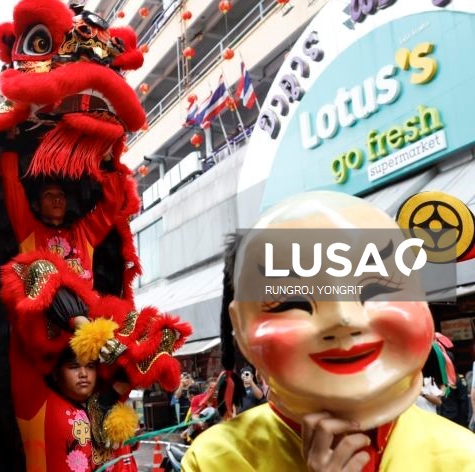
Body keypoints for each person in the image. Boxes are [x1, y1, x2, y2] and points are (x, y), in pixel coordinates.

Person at [182, 191, 475, 471]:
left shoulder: (463, 455)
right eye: (293, 302)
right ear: (241, 328)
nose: (344, 320)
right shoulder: (215, 460)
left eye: (375, 290)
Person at [0, 150, 127, 282]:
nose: (56, 199)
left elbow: (112, 206)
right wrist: (10, 142)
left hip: (82, 301)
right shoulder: (28, 230)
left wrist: (108, 162)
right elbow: (11, 184)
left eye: (60, 195)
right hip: (44, 301)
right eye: (49, 195)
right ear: (36, 205)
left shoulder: (83, 233)